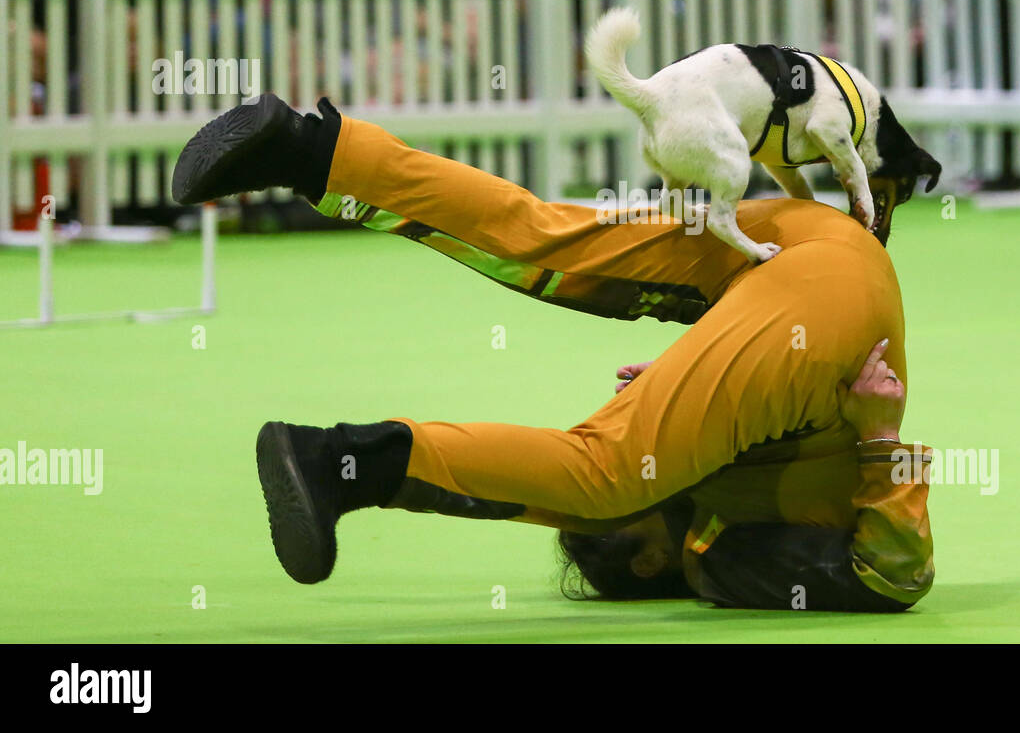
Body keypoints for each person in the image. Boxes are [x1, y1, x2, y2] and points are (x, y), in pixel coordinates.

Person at [170, 92, 939, 611]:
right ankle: (347, 462)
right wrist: (882, 446)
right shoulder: (716, 552)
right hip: (833, 305)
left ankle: (313, 153)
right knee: (604, 474)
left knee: (547, 240)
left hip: (804, 248)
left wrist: (692, 375)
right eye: (618, 535)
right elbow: (895, 579)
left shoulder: (710, 487)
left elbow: (767, 417)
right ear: (649, 564)